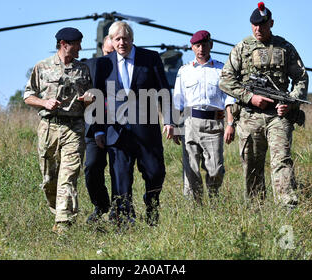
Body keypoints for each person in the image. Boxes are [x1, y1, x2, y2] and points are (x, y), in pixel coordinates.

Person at [219, 2, 309, 209]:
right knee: (251, 166)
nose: (258, 29)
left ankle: (287, 207)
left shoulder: (285, 47)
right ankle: (255, 211)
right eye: (254, 25)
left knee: (282, 162)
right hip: (250, 117)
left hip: (279, 117)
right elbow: (225, 80)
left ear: (272, 23)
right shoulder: (242, 49)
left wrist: (290, 102)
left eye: (263, 25)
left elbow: (301, 78)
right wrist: (250, 98)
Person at [91, 21, 174, 226]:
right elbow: (98, 98)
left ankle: (152, 203)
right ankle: (124, 221)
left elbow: (164, 91)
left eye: (125, 38)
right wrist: (99, 130)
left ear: (132, 39)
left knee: (155, 173)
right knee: (120, 179)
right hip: (116, 131)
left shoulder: (150, 58)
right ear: (110, 40)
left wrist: (170, 120)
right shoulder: (104, 64)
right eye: (117, 39)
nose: (121, 43)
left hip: (146, 129)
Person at [23, 27, 93, 233]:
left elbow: (90, 97)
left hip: (74, 128)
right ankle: (58, 215)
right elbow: (28, 96)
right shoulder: (42, 67)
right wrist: (44, 103)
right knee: (49, 181)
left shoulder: (83, 69)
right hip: (49, 128)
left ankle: (64, 225)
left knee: (68, 177)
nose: (80, 47)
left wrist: (89, 99)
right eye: (77, 43)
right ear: (64, 44)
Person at [173, 30, 236, 204]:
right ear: (192, 47)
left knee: (216, 169)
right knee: (190, 170)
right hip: (190, 123)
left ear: (211, 45)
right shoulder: (184, 71)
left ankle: (214, 199)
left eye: (204, 45)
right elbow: (178, 101)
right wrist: (177, 127)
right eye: (197, 45)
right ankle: (195, 208)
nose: (201, 49)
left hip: (214, 123)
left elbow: (229, 99)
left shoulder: (221, 69)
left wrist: (230, 124)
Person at [84, 36, 117, 223]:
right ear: (101, 50)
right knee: (92, 167)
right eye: (107, 52)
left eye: (113, 53)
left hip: (118, 126)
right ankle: (101, 204)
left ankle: (118, 207)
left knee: (118, 169)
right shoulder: (90, 66)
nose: (109, 57)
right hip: (93, 126)